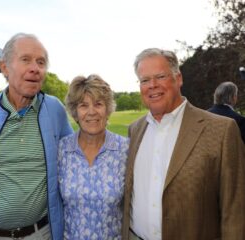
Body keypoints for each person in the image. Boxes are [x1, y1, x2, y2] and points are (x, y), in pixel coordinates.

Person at [0, 33, 73, 240]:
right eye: (25, 59)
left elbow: (74, 159)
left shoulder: (55, 110)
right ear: (4, 67)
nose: (35, 68)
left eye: (41, 62)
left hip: (42, 233)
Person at [122, 48, 245, 240]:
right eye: (145, 80)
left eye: (160, 76)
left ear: (178, 78)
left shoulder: (221, 130)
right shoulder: (135, 130)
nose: (152, 85)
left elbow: (235, 209)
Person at [58, 74, 129, 239]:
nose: (91, 112)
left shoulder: (125, 148)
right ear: (75, 112)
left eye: (98, 104)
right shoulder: (62, 150)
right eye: (83, 105)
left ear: (108, 109)